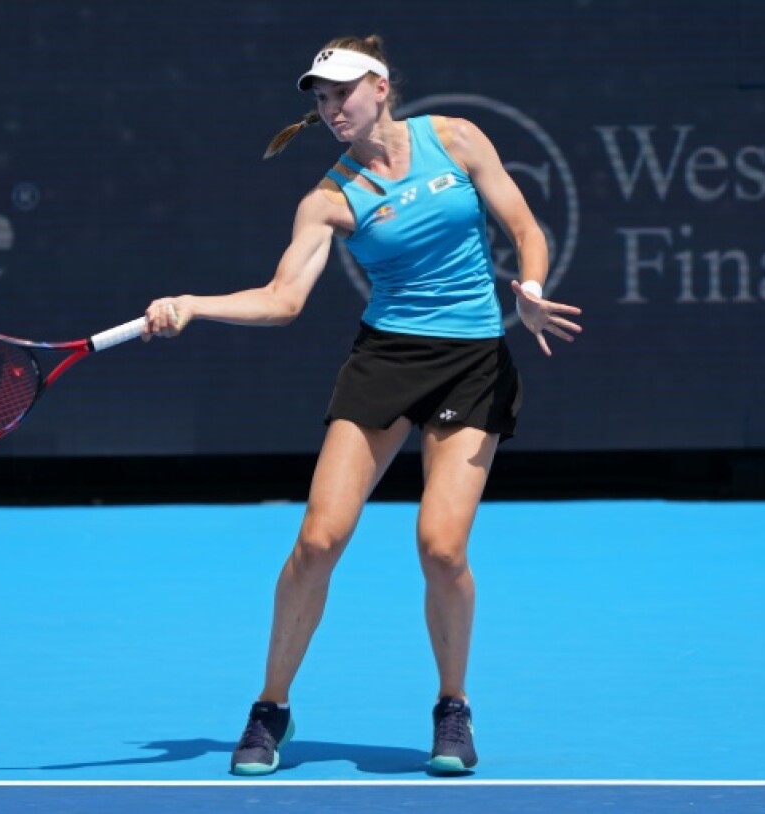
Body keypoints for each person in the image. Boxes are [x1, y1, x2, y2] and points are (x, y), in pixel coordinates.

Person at [141, 34, 582, 776]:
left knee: (442, 549)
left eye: (341, 91)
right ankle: (270, 708)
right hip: (386, 362)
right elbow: (282, 300)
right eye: (319, 97)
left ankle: (452, 707)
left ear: (380, 86)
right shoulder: (329, 198)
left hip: (473, 364)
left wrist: (530, 290)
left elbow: (525, 230)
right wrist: (193, 304)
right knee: (318, 542)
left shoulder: (456, 138)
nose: (330, 107)